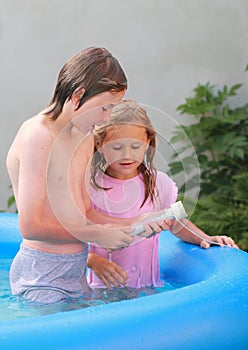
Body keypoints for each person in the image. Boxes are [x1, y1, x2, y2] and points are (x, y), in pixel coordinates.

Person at [6, 47, 145, 304]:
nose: (106, 118)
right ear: (78, 95)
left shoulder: (84, 137)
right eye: (104, 108)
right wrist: (96, 235)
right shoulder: (39, 135)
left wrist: (133, 222)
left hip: (76, 270)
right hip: (41, 274)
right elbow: (30, 225)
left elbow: (86, 212)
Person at [87, 99, 239, 289]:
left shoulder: (158, 183)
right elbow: (69, 237)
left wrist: (204, 238)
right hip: (102, 289)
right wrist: (93, 260)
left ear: (147, 143)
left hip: (149, 286)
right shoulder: (92, 187)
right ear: (100, 144)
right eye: (117, 147)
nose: (126, 154)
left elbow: (174, 221)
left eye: (135, 147)